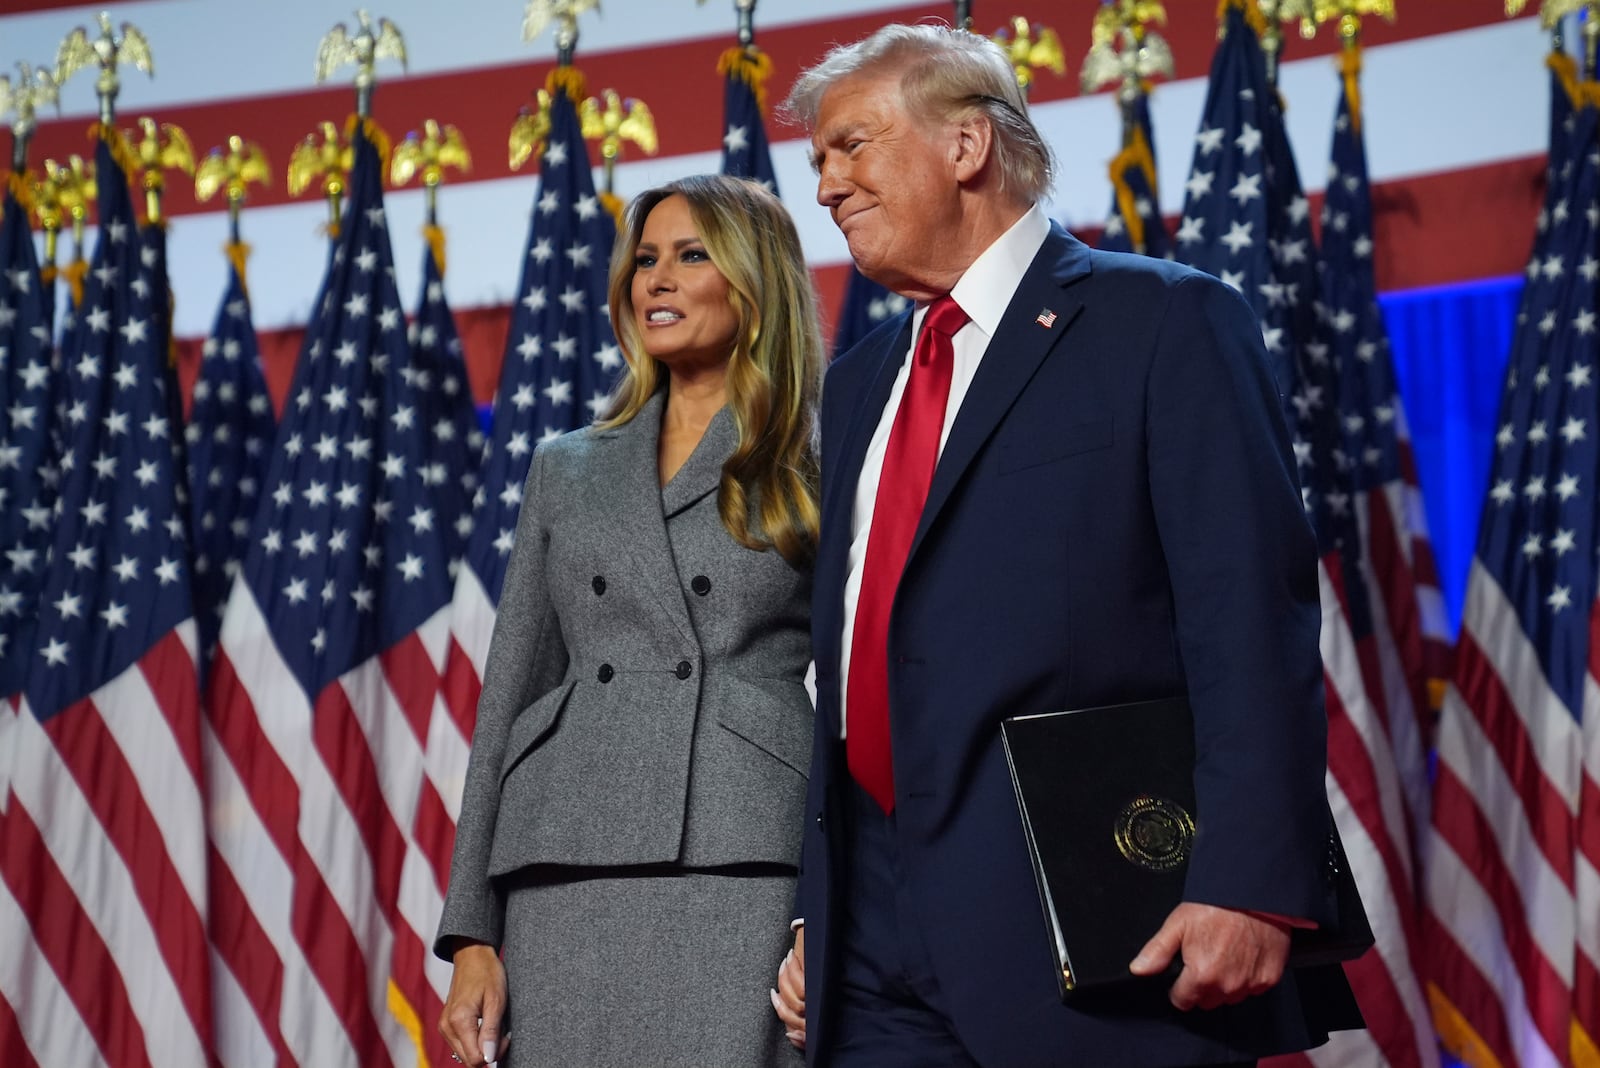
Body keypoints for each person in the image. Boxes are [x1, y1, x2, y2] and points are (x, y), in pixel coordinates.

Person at [770, 23, 1363, 1068]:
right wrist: (820, 909)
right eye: (818, 160)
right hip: (870, 941)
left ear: (965, 147)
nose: (826, 186)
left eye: (852, 146)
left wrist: (1247, 879)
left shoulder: (1161, 321)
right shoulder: (857, 382)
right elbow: (855, 654)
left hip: (1095, 914)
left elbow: (1247, 621)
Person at [436, 173, 822, 1068]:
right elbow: (511, 697)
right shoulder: (566, 467)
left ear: (753, 277)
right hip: (562, 864)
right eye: (645, 259)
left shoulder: (821, 451)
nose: (656, 279)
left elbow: (862, 698)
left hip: (743, 850)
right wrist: (471, 934)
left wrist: (835, 904)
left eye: (691, 256)